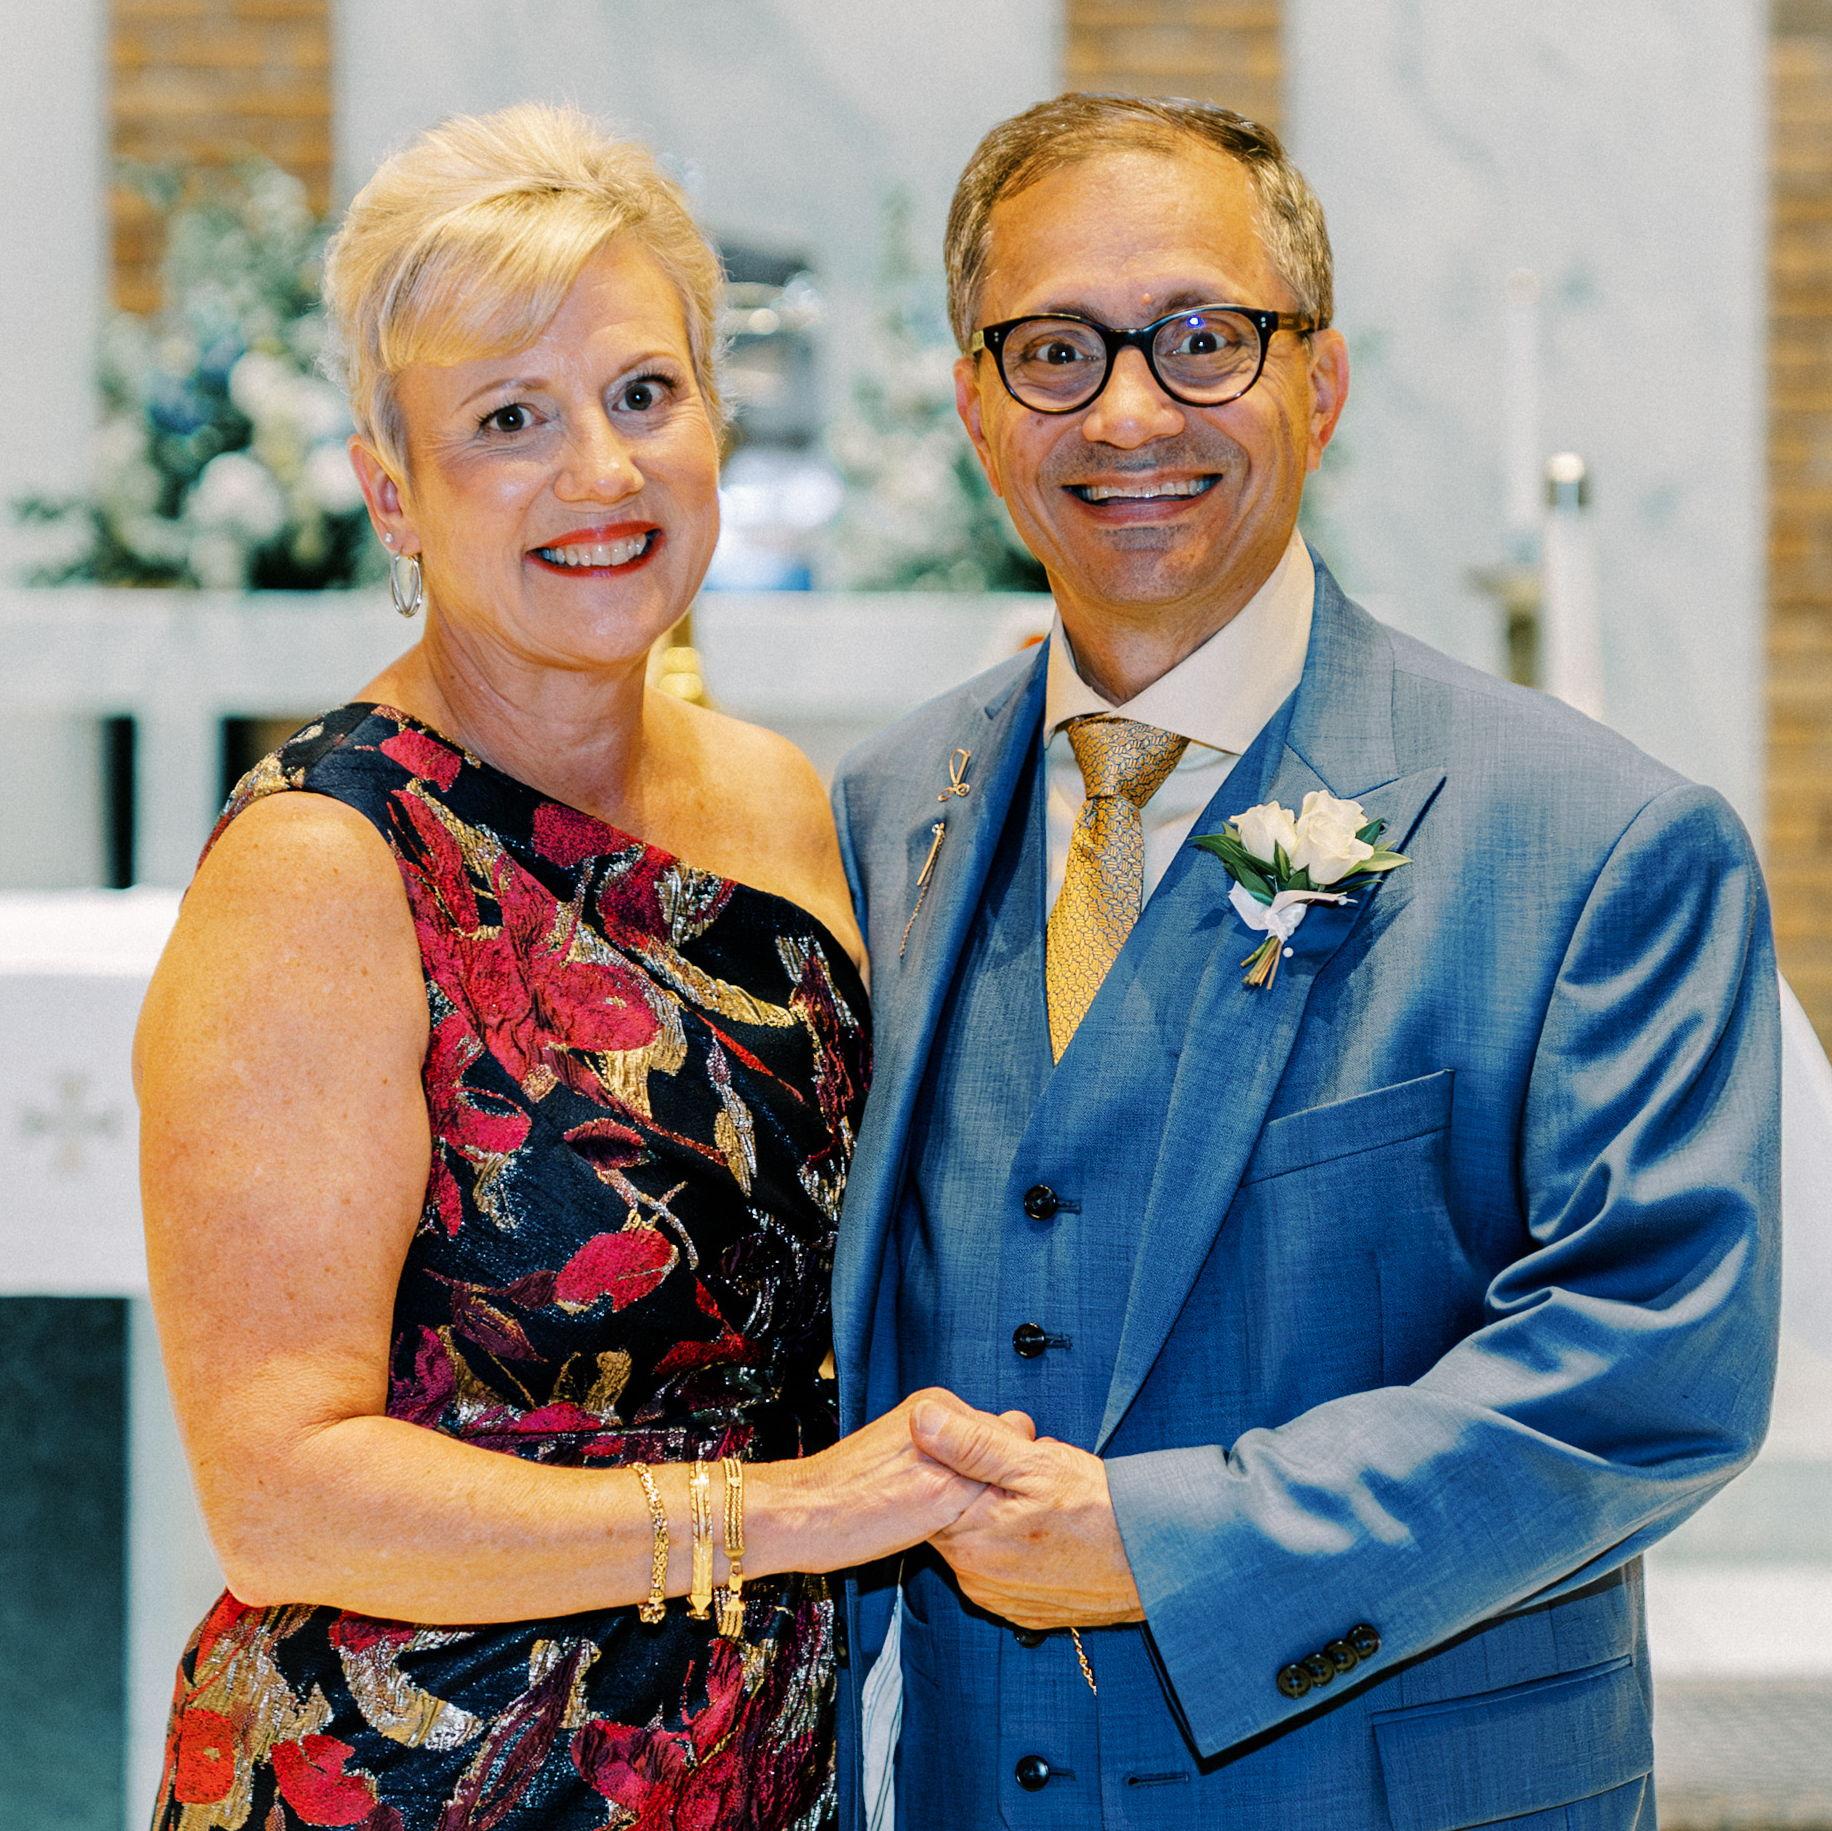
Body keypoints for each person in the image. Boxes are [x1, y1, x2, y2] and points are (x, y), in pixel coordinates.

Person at [828, 93, 1780, 1829]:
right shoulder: (888, 810)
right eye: (1054, 351)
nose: (1129, 412)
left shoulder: (1601, 840)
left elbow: (1656, 1362)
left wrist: (1163, 1546)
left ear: (1320, 384)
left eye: (1204, 339)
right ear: (976, 408)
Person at [135, 103, 986, 1830]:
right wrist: (791, 1515)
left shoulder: (773, 797)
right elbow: (279, 1497)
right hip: (425, 1772)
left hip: (749, 1760)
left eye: (643, 394)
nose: (599, 471)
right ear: (392, 490)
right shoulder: (326, 861)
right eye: (509, 419)